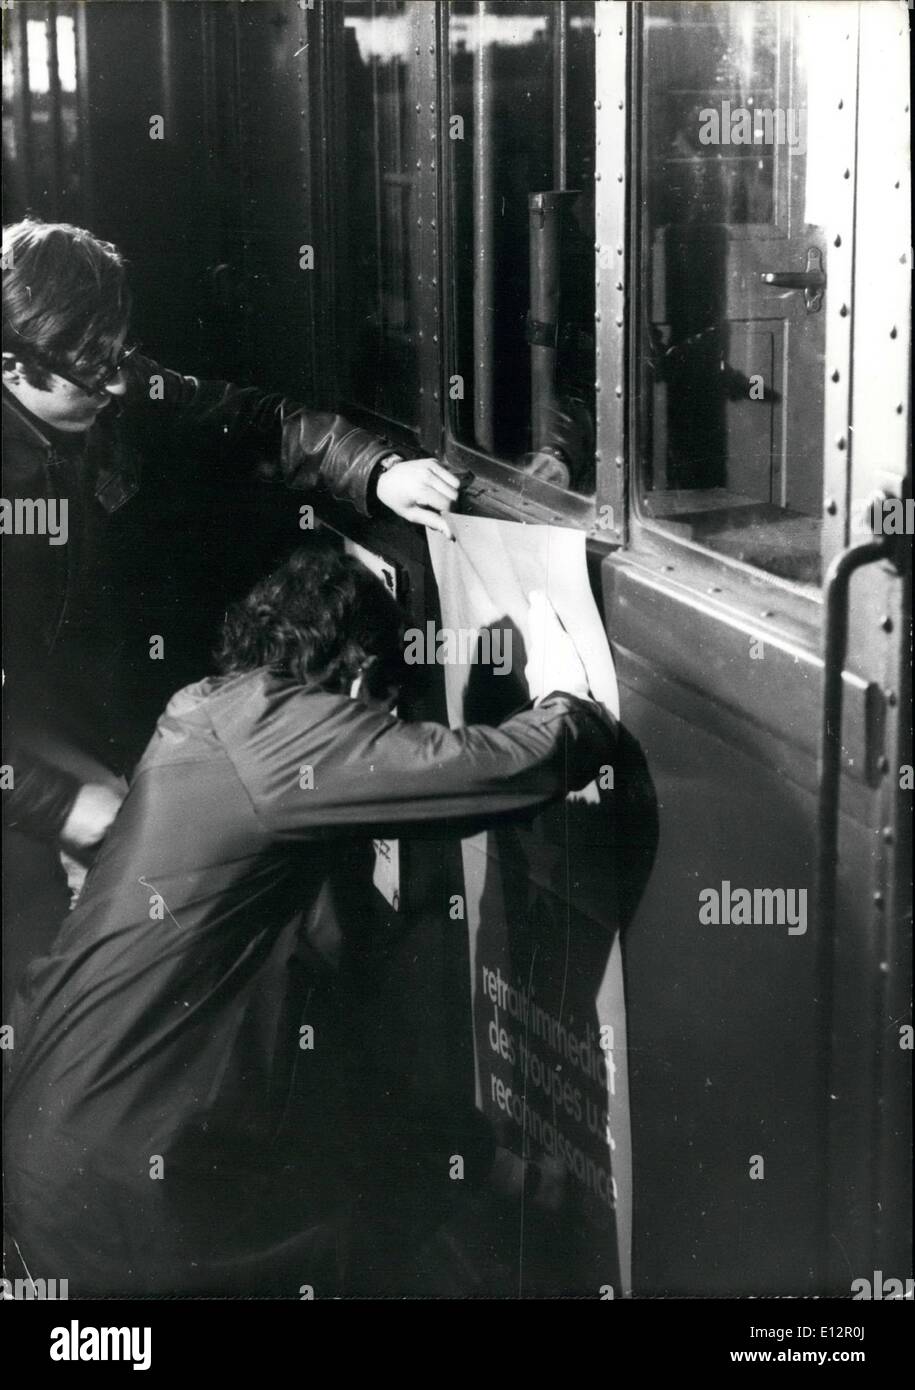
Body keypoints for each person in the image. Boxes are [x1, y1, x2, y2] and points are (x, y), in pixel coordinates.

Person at [3, 545, 615, 1297]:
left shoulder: (204, 714)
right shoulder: (276, 730)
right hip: (134, 1207)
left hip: (62, 1161)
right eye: (385, 716)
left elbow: (338, 1046)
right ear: (358, 678)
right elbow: (497, 765)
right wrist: (568, 702)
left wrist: (484, 1162)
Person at [1, 217, 459, 1006]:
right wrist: (56, 802)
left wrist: (374, 472)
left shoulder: (112, 383)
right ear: (11, 363)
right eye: (89, 369)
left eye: (117, 355)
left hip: (84, 713)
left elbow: (256, 419)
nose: (116, 387)